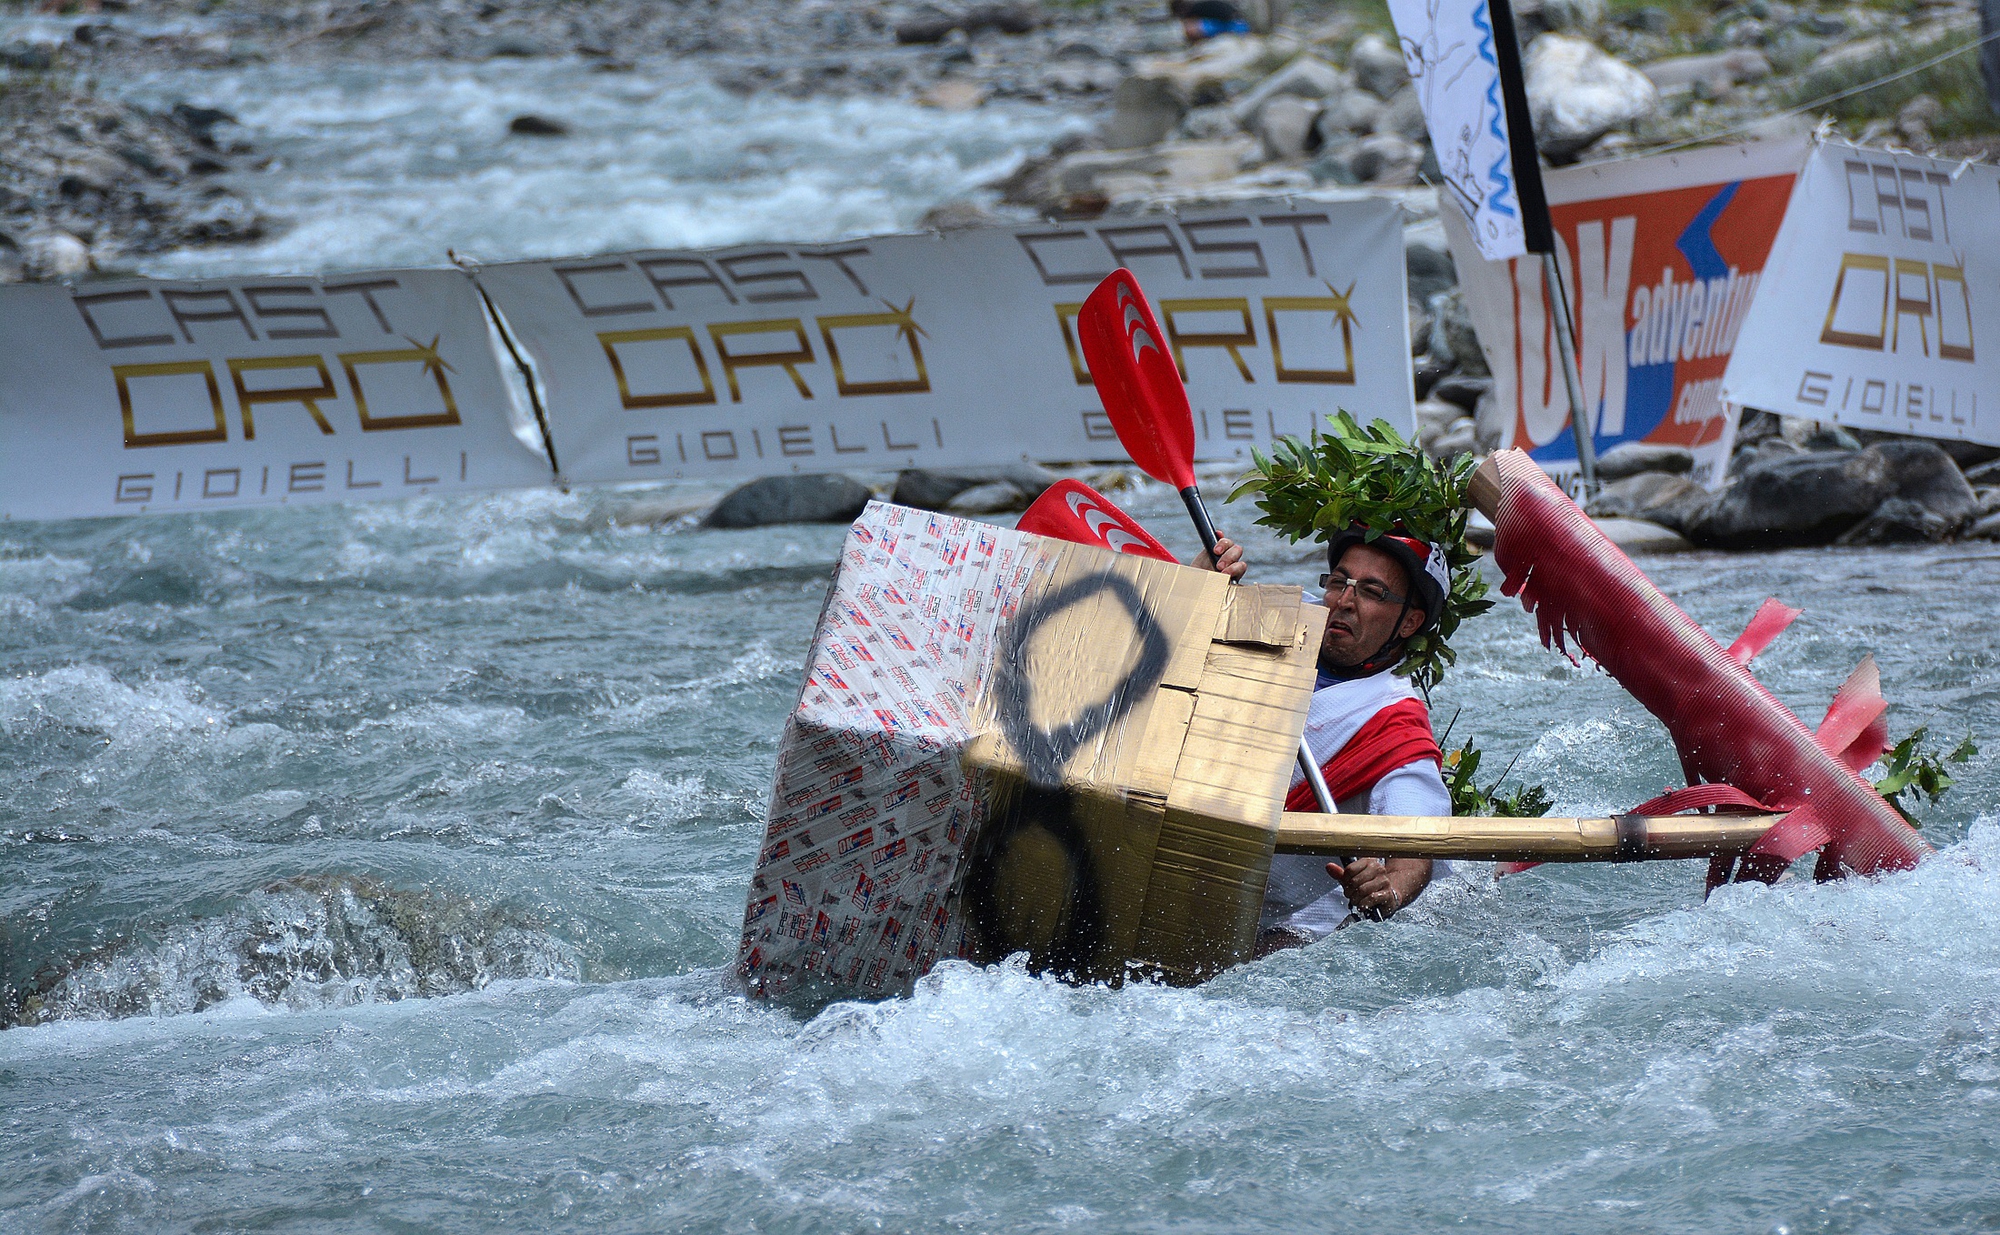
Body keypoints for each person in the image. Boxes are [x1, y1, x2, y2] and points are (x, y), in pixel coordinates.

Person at [1197, 525, 1452, 953]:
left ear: (1409, 622)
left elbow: (1416, 844)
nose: (1344, 602)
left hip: (1292, 925)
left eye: (1372, 592)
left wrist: (1387, 886)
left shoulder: (1395, 722)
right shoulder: (1280, 616)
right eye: (1339, 582)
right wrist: (1200, 582)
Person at [1170, 0, 1252, 42]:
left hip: (1232, 25)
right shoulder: (1198, 7)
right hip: (1239, 23)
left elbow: (1190, 28)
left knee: (1190, 27)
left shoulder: (1192, 11)